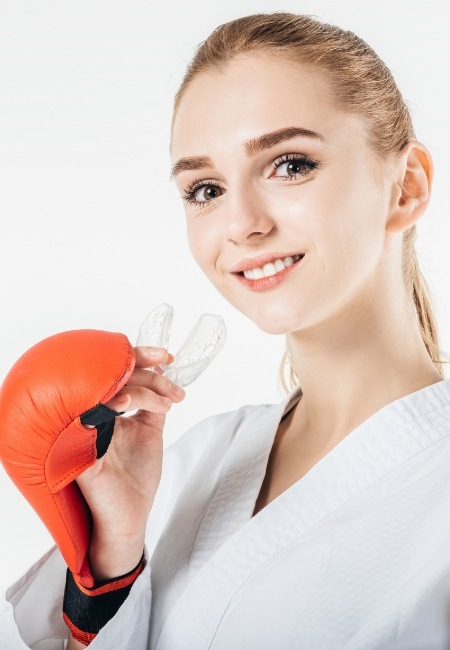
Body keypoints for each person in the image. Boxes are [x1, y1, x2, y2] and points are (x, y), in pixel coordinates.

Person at [2, 11, 450, 649]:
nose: (240, 223)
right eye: (205, 188)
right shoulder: (199, 460)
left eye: (290, 164)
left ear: (405, 187)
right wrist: (112, 557)